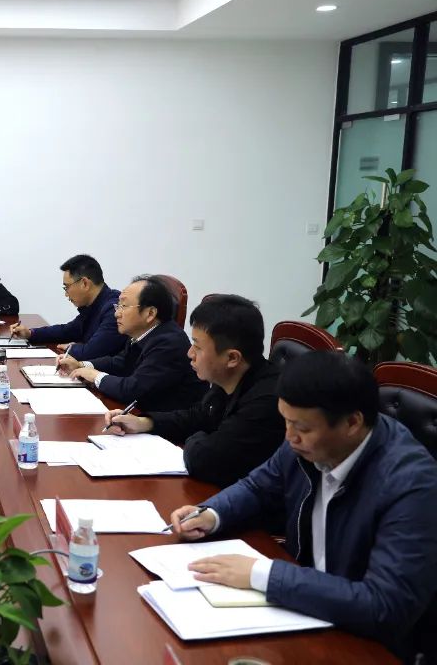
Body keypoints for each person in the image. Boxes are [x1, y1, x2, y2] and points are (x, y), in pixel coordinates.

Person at [169, 351, 437, 661]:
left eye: (302, 428)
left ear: (352, 422)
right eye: (286, 421)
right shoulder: (307, 443)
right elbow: (258, 486)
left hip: (364, 645)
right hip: (305, 609)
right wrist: (211, 514)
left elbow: (383, 606)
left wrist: (262, 574)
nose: (289, 437)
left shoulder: (412, 485)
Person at [103, 294, 283, 487]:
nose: (190, 353)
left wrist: (195, 438)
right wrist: (143, 423)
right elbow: (197, 416)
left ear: (232, 358)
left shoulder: (267, 401)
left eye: (197, 347)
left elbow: (206, 460)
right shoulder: (228, 377)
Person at [61, 275, 206, 412]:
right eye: (118, 306)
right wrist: (81, 365)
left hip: (170, 425)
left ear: (150, 313)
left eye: (124, 306)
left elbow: (132, 390)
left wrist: (95, 376)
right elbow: (120, 362)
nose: (117, 313)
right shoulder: (143, 332)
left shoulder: (168, 343)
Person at [11, 254, 126, 360]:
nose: (66, 294)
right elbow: (68, 331)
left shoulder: (114, 309)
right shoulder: (93, 305)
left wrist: (72, 348)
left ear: (84, 283)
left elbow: (91, 352)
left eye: (67, 287)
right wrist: (30, 333)